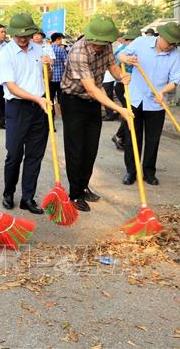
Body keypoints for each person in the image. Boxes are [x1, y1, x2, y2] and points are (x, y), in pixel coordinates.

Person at [60, 15, 132, 211]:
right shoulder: (77, 52)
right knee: (76, 149)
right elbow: (91, 88)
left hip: (92, 101)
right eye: (96, 43)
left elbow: (113, 66)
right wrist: (119, 109)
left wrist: (122, 76)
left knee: (91, 148)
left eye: (103, 44)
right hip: (73, 100)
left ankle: (83, 186)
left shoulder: (107, 45)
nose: (99, 47)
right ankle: (74, 194)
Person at [0, 13, 52, 215]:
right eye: (18, 35)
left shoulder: (39, 49)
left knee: (35, 155)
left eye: (26, 35)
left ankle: (28, 197)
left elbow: (46, 76)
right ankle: (8, 193)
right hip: (17, 107)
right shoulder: (6, 54)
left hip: (40, 108)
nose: (22, 39)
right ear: (12, 35)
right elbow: (11, 87)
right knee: (14, 153)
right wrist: (37, 99)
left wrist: (49, 65)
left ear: (32, 33)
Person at [118, 22, 180, 186]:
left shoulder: (174, 55)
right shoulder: (141, 42)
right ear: (161, 36)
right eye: (170, 42)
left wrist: (162, 92)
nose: (171, 46)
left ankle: (149, 172)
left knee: (153, 140)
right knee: (133, 137)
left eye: (175, 44)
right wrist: (127, 59)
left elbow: (175, 80)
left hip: (156, 102)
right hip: (135, 99)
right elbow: (121, 56)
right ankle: (131, 172)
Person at [111, 28, 137, 151]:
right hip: (123, 86)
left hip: (133, 86)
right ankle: (120, 136)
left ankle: (121, 136)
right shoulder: (121, 52)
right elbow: (115, 66)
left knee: (131, 112)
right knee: (129, 112)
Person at [48, 32, 68, 112]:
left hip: (50, 78)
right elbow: (66, 63)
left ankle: (51, 113)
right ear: (57, 39)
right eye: (61, 39)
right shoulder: (61, 49)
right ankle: (63, 112)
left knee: (50, 98)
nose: (61, 41)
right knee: (61, 99)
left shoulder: (47, 48)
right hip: (60, 78)